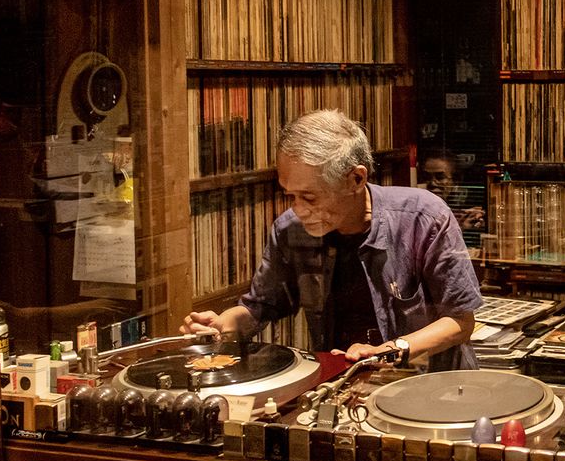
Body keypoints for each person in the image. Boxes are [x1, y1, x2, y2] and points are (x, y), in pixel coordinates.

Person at [181, 109, 482, 371]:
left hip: (433, 387)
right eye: (291, 195)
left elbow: (460, 322)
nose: (298, 209)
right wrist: (226, 324)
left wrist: (390, 351)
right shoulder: (290, 229)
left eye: (309, 197)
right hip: (345, 384)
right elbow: (260, 307)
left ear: (356, 179)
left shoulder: (423, 217)